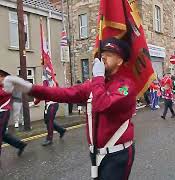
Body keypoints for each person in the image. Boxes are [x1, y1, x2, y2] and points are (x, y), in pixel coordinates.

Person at [3, 37, 136, 180]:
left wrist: (98, 77)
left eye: (109, 55)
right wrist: (30, 88)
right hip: (96, 154)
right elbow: (64, 93)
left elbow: (102, 104)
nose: (103, 58)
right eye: (102, 54)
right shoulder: (95, 84)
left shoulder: (125, 86)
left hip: (117, 156)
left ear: (120, 61)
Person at [34, 71, 67, 146]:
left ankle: (49, 138)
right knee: (47, 121)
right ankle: (61, 130)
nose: (52, 77)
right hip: (48, 105)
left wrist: (35, 102)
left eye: (53, 75)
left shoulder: (54, 84)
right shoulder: (46, 84)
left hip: (53, 104)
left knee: (49, 121)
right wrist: (35, 102)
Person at [0, 69, 27, 156]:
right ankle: (20, 144)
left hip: (4, 112)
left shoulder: (7, 86)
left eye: (1, 76)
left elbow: (2, 94)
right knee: (3, 134)